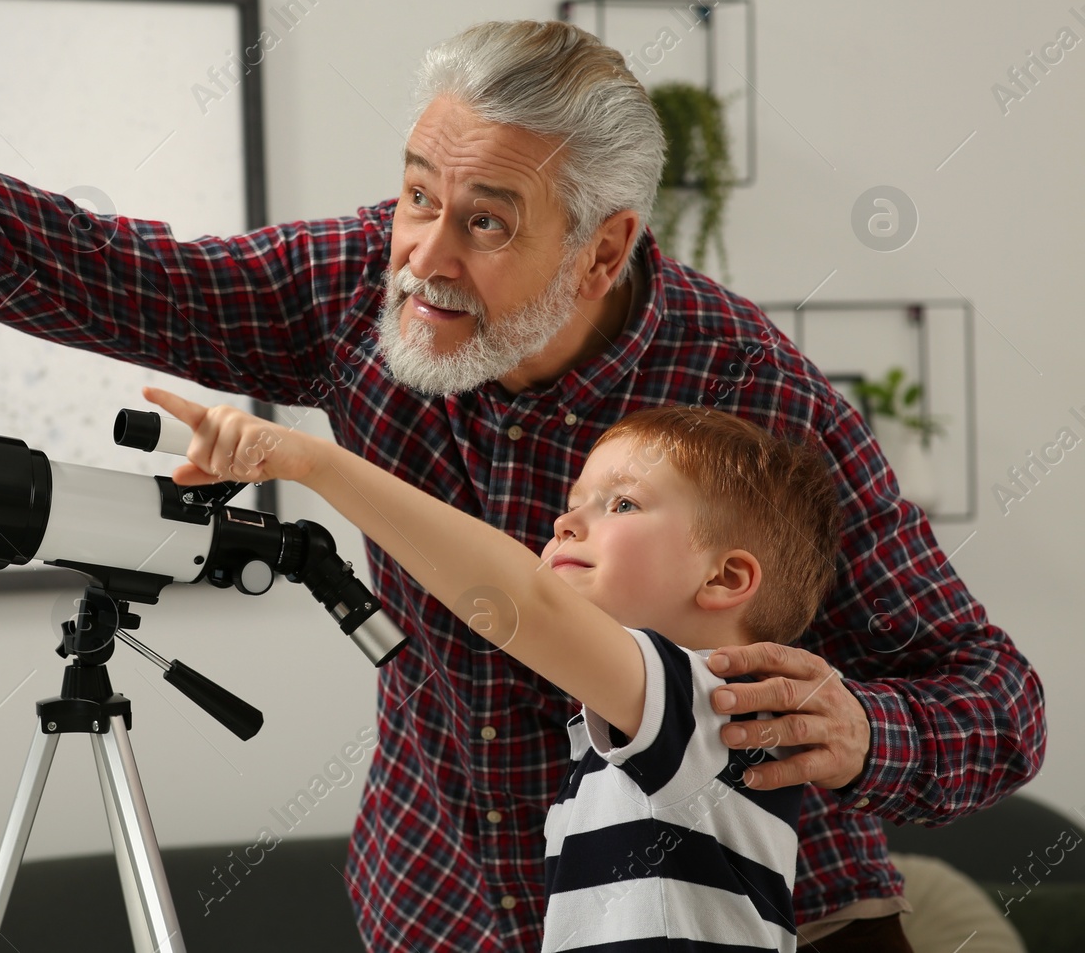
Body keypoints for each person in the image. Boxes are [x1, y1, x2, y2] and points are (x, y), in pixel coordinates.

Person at [0, 0, 1046, 952]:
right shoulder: (352, 284)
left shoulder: (754, 394)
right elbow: (97, 267)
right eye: (418, 191)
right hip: (441, 906)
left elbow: (998, 698)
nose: (424, 253)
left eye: (486, 220)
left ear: (604, 250)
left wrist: (874, 732)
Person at [143, 390, 838, 951]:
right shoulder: (630, 738)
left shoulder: (715, 709)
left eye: (621, 503)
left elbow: (519, 601)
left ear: (725, 578)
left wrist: (315, 464)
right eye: (574, 504)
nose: (566, 523)